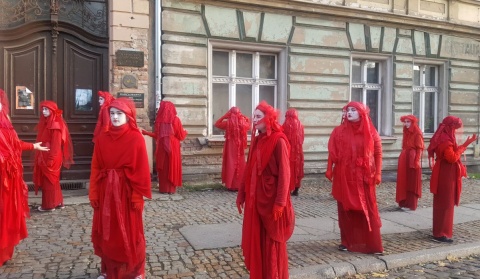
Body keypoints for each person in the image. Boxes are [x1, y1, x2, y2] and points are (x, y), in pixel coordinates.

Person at [89, 98, 152, 279]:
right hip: (105, 192)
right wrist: (94, 193)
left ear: (128, 115)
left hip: (125, 194)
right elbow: (95, 167)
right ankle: (108, 270)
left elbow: (141, 170)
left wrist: (137, 197)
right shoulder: (102, 138)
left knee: (131, 233)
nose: (115, 117)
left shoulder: (135, 138)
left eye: (119, 113)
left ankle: (135, 271)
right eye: (112, 113)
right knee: (107, 233)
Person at [236, 101, 295, 279]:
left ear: (269, 118)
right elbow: (249, 168)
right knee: (258, 237)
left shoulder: (279, 141)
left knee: (271, 239)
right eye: (253, 116)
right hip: (256, 198)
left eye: (258, 116)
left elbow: (285, 174)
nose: (254, 120)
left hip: (270, 200)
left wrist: (280, 203)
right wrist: (242, 193)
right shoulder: (257, 140)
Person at [325, 101, 383, 254]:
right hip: (344, 175)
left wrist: (378, 173)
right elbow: (332, 151)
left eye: (353, 110)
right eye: (347, 110)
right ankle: (347, 241)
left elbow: (377, 152)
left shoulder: (370, 131)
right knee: (346, 210)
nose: (349, 112)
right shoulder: (339, 131)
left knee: (367, 208)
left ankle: (370, 242)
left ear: (361, 113)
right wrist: (329, 169)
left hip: (364, 177)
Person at [0, 89, 48, 266]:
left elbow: (15, 144)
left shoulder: (7, 124)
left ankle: (5, 251)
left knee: (7, 212)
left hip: (10, 178)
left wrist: (33, 146)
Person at [427, 116, 476, 243]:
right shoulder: (445, 140)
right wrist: (464, 145)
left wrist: (465, 144)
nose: (455, 131)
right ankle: (441, 233)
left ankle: (439, 231)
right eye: (454, 128)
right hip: (446, 172)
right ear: (450, 127)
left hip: (445, 171)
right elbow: (452, 158)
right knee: (446, 202)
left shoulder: (445, 137)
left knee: (443, 202)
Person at [33, 101, 74, 212]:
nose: (44, 111)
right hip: (47, 154)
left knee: (49, 180)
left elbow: (56, 145)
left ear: (52, 111)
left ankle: (49, 205)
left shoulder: (55, 125)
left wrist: (51, 159)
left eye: (46, 109)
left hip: (52, 156)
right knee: (53, 181)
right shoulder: (48, 122)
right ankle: (58, 202)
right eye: (43, 109)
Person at [142, 101, 187, 194]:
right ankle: (171, 189)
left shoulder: (159, 122)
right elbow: (180, 136)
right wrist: (185, 132)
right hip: (173, 146)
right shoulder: (175, 120)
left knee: (164, 167)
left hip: (162, 147)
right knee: (172, 166)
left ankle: (163, 189)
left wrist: (146, 133)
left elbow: (157, 135)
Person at [214, 107, 250, 191]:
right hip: (240, 145)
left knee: (230, 163)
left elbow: (217, 123)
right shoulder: (243, 123)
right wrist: (244, 117)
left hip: (230, 146)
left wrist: (225, 116)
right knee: (240, 163)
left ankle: (231, 185)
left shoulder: (227, 123)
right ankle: (239, 184)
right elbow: (249, 125)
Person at [396, 115, 424, 210]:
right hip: (405, 157)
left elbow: (420, 148)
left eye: (408, 122)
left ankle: (411, 204)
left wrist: (416, 161)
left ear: (412, 122)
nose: (406, 124)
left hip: (412, 158)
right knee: (404, 180)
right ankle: (404, 202)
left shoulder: (417, 132)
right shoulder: (406, 131)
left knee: (412, 181)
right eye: (405, 121)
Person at [282, 108, 305, 196]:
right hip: (298, 152)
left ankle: (288, 188)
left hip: (288, 152)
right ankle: (296, 189)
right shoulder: (300, 125)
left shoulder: (285, 125)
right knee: (297, 170)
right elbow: (302, 138)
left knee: (288, 169)